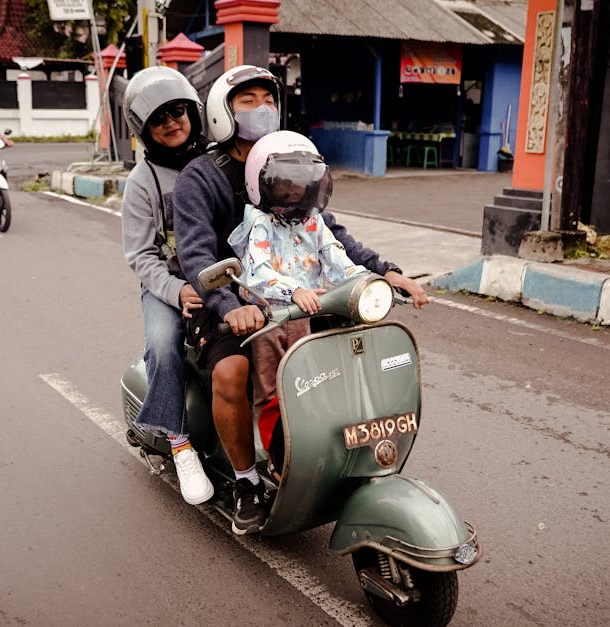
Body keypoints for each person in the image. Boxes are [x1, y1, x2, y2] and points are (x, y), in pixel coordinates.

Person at [172, 65, 429, 535]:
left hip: (296, 300)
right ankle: (248, 481)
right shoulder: (200, 177)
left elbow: (332, 237)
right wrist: (231, 306)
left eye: (268, 99)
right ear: (223, 112)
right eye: (247, 100)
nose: (262, 109)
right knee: (233, 371)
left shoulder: (293, 162)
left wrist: (385, 272)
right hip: (225, 300)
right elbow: (195, 255)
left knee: (350, 346)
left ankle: (330, 449)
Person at [228, 131, 367, 474]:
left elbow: (335, 254)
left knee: (309, 385)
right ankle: (275, 457)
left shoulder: (313, 222)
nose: (294, 192)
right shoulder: (260, 223)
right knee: (271, 389)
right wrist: (293, 291)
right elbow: (257, 270)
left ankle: (308, 446)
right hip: (270, 318)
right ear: (261, 184)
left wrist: (366, 280)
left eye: (302, 184)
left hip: (305, 316)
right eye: (284, 185)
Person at [119, 66, 214, 505]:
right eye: (158, 118)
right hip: (169, 283)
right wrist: (176, 291)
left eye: (177, 111)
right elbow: (141, 256)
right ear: (144, 129)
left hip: (221, 274)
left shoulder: (217, 161)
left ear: (193, 112)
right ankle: (179, 442)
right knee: (162, 342)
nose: (171, 123)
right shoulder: (141, 183)